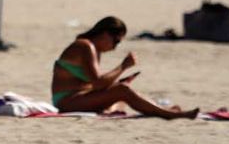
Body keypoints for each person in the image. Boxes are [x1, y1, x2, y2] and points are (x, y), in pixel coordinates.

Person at [51, 17, 198, 118]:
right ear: (104, 34)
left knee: (122, 92)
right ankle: (168, 115)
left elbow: (94, 84)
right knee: (123, 91)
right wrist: (123, 66)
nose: (115, 47)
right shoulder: (85, 46)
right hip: (67, 101)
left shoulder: (94, 49)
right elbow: (97, 83)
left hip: (77, 97)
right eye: (115, 41)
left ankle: (159, 110)